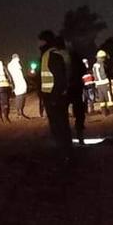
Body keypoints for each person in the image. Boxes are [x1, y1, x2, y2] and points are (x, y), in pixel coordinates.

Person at [38, 30, 72, 159]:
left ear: (45, 41)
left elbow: (59, 78)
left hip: (54, 97)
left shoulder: (50, 55)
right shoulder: (50, 54)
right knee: (60, 125)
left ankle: (64, 153)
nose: (37, 43)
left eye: (39, 40)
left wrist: (53, 97)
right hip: (54, 96)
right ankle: (65, 152)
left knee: (59, 126)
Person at [58, 36, 86, 143]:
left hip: (63, 89)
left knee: (63, 113)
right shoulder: (74, 55)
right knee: (79, 112)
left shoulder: (56, 56)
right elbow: (83, 69)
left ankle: (66, 136)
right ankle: (80, 134)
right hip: (76, 88)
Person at [92, 50, 113, 115]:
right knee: (109, 98)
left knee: (101, 98)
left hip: (98, 84)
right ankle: (112, 112)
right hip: (105, 83)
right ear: (102, 57)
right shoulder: (102, 64)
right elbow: (104, 73)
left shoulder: (94, 65)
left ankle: (104, 112)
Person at [7, 54, 29, 119]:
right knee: (21, 98)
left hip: (16, 83)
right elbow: (20, 74)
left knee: (18, 97)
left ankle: (19, 113)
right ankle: (20, 113)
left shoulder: (10, 65)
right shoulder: (16, 64)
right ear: (16, 58)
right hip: (19, 83)